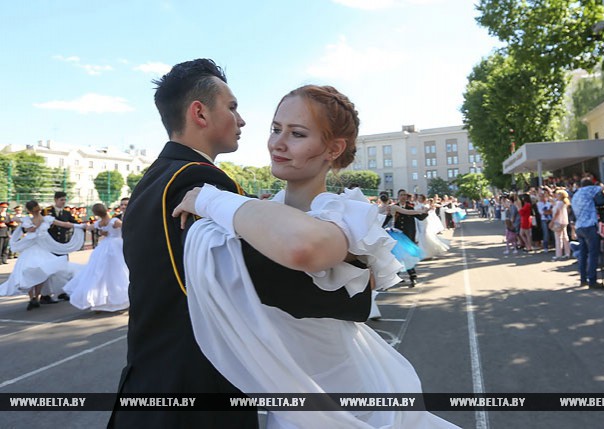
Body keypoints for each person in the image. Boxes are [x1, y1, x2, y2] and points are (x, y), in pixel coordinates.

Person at [173, 84, 458, 428]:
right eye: (276, 129)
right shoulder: (259, 214)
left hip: (349, 398)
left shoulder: (346, 212)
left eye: (297, 133)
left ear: (332, 148)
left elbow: (304, 248)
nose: (278, 142)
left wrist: (209, 200)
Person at [108, 59, 372, 429]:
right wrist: (360, 286)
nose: (243, 120)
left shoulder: (156, 177)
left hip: (154, 382)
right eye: (232, 107)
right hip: (193, 395)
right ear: (199, 113)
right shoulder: (196, 181)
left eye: (295, 133)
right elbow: (257, 279)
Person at [0, 200, 85, 310]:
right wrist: (80, 226)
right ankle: (36, 296)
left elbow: (13, 219)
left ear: (28, 210)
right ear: (39, 208)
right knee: (41, 272)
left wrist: (24, 226)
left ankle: (32, 298)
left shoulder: (27, 220)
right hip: (41, 250)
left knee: (28, 272)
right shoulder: (45, 219)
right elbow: (64, 224)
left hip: (29, 251)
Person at [63, 203, 129, 312]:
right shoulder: (114, 222)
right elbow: (127, 227)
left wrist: (69, 224)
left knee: (101, 274)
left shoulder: (99, 223)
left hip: (104, 247)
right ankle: (121, 298)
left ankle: (99, 301)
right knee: (120, 272)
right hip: (116, 246)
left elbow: (85, 226)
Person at [571, 178, 604, 289]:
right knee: (593, 253)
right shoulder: (588, 190)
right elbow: (602, 188)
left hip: (579, 226)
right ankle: (592, 280)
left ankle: (583, 279)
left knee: (583, 254)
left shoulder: (575, 195)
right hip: (589, 226)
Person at [392, 189, 428, 287]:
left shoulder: (411, 207)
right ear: (398, 196)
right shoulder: (394, 207)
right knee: (397, 257)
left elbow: (420, 218)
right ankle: (397, 277)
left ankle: (413, 277)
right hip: (397, 237)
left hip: (408, 236)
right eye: (401, 195)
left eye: (405, 195)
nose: (403, 196)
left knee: (408, 257)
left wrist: (425, 212)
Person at [551, 189, 571, 261]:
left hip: (558, 221)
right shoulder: (564, 203)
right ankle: (567, 253)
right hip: (564, 221)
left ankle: (558, 254)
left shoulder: (559, 203)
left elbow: (557, 213)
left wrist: (552, 222)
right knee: (565, 237)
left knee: (558, 238)